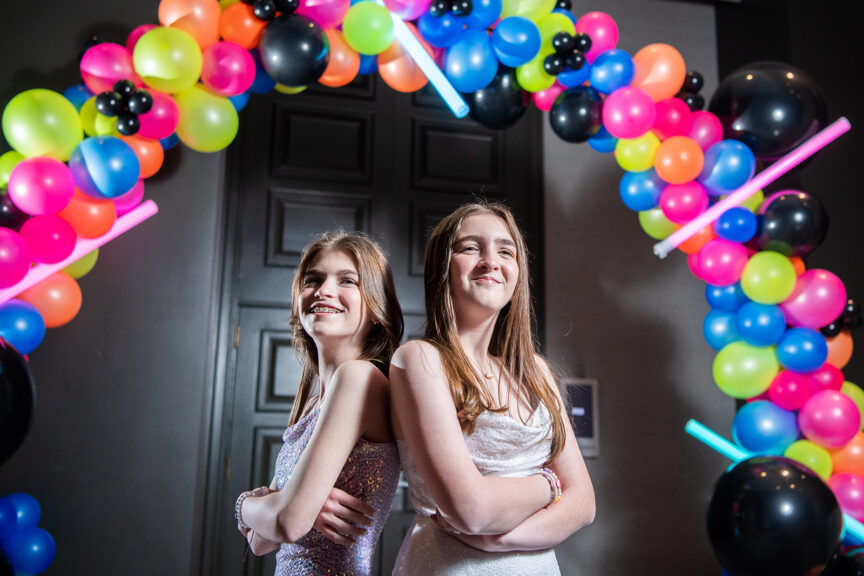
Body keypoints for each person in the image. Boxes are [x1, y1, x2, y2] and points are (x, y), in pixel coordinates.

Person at [390, 201, 596, 575]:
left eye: (505, 251)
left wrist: (503, 540)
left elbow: (584, 504)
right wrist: (550, 484)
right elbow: (471, 511)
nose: (490, 261)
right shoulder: (418, 359)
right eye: (470, 248)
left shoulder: (536, 371)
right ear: (442, 268)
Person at [234, 230, 404, 576]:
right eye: (314, 279)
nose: (324, 291)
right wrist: (288, 504)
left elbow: (287, 524)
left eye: (347, 281)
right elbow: (260, 542)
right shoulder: (312, 404)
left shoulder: (359, 378)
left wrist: (245, 504)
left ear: (375, 307)